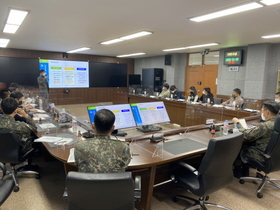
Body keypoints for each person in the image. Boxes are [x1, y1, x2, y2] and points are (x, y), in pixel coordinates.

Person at [232, 101, 280, 177]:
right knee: (250, 143)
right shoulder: (276, 123)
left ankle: (238, 171)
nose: (261, 112)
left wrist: (238, 123)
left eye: (262, 110)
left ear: (267, 112)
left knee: (240, 147)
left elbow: (247, 135)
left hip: (262, 156)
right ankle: (245, 170)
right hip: (276, 156)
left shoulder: (265, 126)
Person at [74, 109, 131, 173]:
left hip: (88, 182)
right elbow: (125, 165)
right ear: (113, 128)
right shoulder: (123, 147)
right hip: (114, 182)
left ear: (93, 126)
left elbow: (78, 164)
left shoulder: (79, 146)